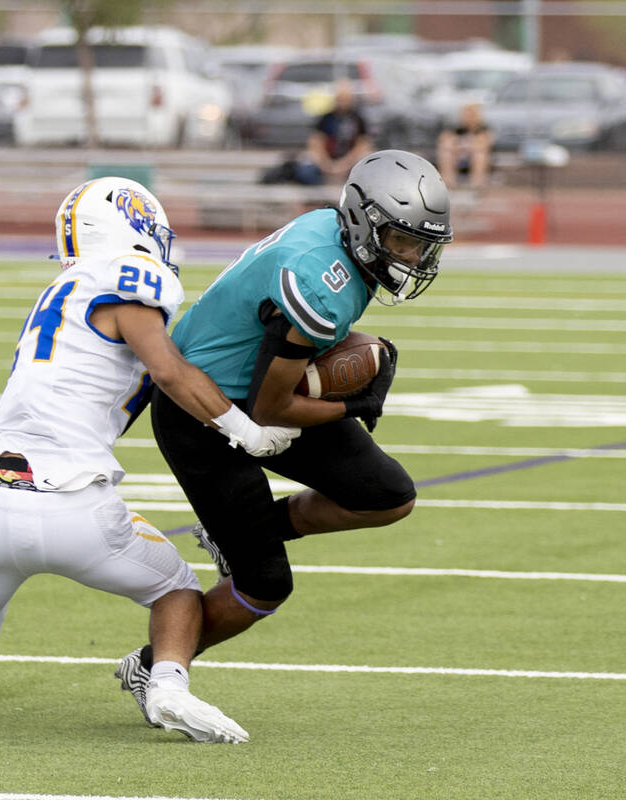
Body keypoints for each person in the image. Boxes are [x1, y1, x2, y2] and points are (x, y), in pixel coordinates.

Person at [0, 177, 299, 743]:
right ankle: (167, 687)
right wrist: (245, 431)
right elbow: (167, 371)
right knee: (178, 590)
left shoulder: (64, 289)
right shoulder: (127, 277)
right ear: (131, 226)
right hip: (72, 502)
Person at [113, 150, 452, 727]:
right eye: (401, 241)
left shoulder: (333, 235)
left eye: (422, 245)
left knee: (389, 495)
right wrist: (355, 401)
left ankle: (242, 532)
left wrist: (358, 359)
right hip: (204, 411)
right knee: (265, 582)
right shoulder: (321, 280)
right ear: (365, 222)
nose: (413, 258)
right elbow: (273, 410)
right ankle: (154, 666)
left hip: (254, 386)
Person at [263, 80, 373, 186]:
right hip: (326, 164)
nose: (342, 102)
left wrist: (344, 165)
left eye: (346, 99)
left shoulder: (358, 119)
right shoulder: (326, 118)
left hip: (350, 164)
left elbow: (363, 145)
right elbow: (315, 143)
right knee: (305, 172)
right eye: (340, 98)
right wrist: (327, 165)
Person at [436, 101, 494, 190]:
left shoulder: (483, 129)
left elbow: (484, 144)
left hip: (474, 158)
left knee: (480, 154)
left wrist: (462, 146)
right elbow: (444, 142)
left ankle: (477, 184)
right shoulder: (454, 128)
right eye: (467, 115)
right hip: (457, 157)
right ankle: (448, 183)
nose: (469, 118)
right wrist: (461, 148)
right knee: (446, 154)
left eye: (472, 115)